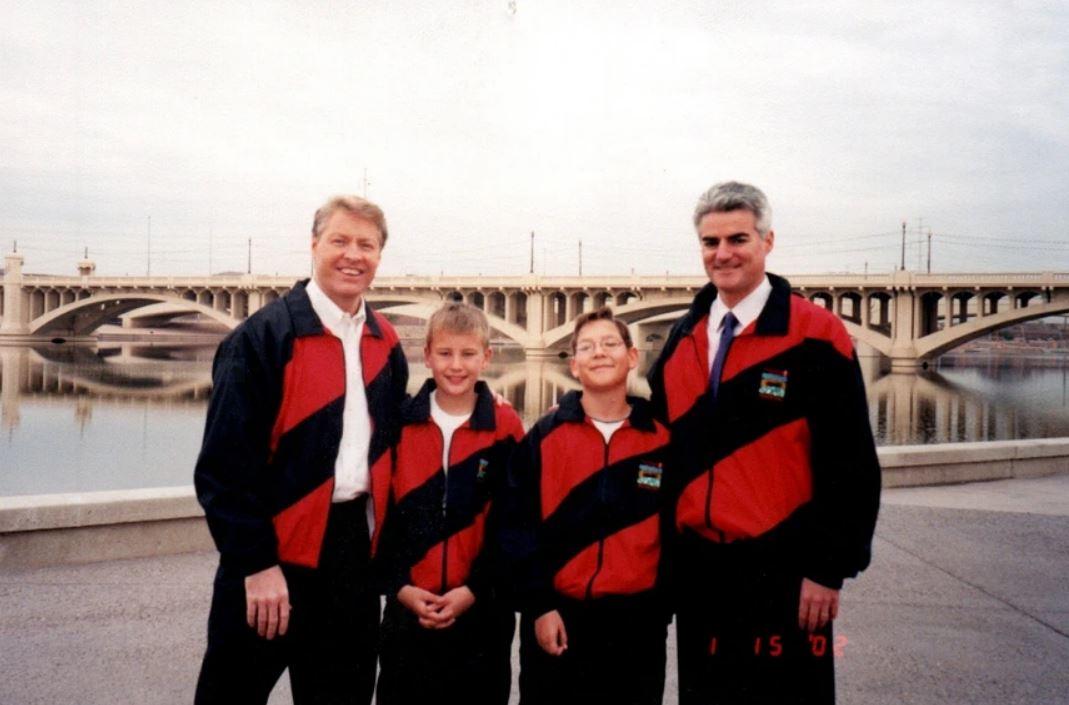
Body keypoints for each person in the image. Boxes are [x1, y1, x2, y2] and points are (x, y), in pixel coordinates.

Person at [647, 181, 882, 704]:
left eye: (738, 239)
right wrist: (582, 411)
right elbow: (658, 437)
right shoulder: (684, 336)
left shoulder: (815, 332)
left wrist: (827, 569)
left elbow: (851, 462)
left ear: (767, 241)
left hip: (785, 572)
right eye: (711, 242)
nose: (723, 254)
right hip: (700, 572)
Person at [193, 195, 408, 705]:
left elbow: (404, 436)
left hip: (351, 558)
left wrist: (478, 401)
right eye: (340, 240)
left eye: (366, 245)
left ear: (379, 257)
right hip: (271, 553)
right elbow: (223, 469)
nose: (353, 255)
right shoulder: (263, 338)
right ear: (314, 246)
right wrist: (255, 565)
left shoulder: (386, 341)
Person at [501, 307, 672, 705]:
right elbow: (515, 526)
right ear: (574, 364)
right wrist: (539, 606)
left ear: (632, 356)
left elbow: (678, 531)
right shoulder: (544, 435)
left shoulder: (661, 439)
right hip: (557, 620)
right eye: (587, 347)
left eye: (610, 343)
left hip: (637, 626)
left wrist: (659, 610)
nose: (600, 353)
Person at [375, 302, 524, 705]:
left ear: (486, 357)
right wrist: (400, 587)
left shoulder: (505, 426)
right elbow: (383, 516)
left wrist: (474, 590)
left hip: (482, 612)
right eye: (445, 353)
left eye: (468, 354)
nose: (456, 366)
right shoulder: (400, 424)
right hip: (408, 610)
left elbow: (514, 523)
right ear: (426, 355)